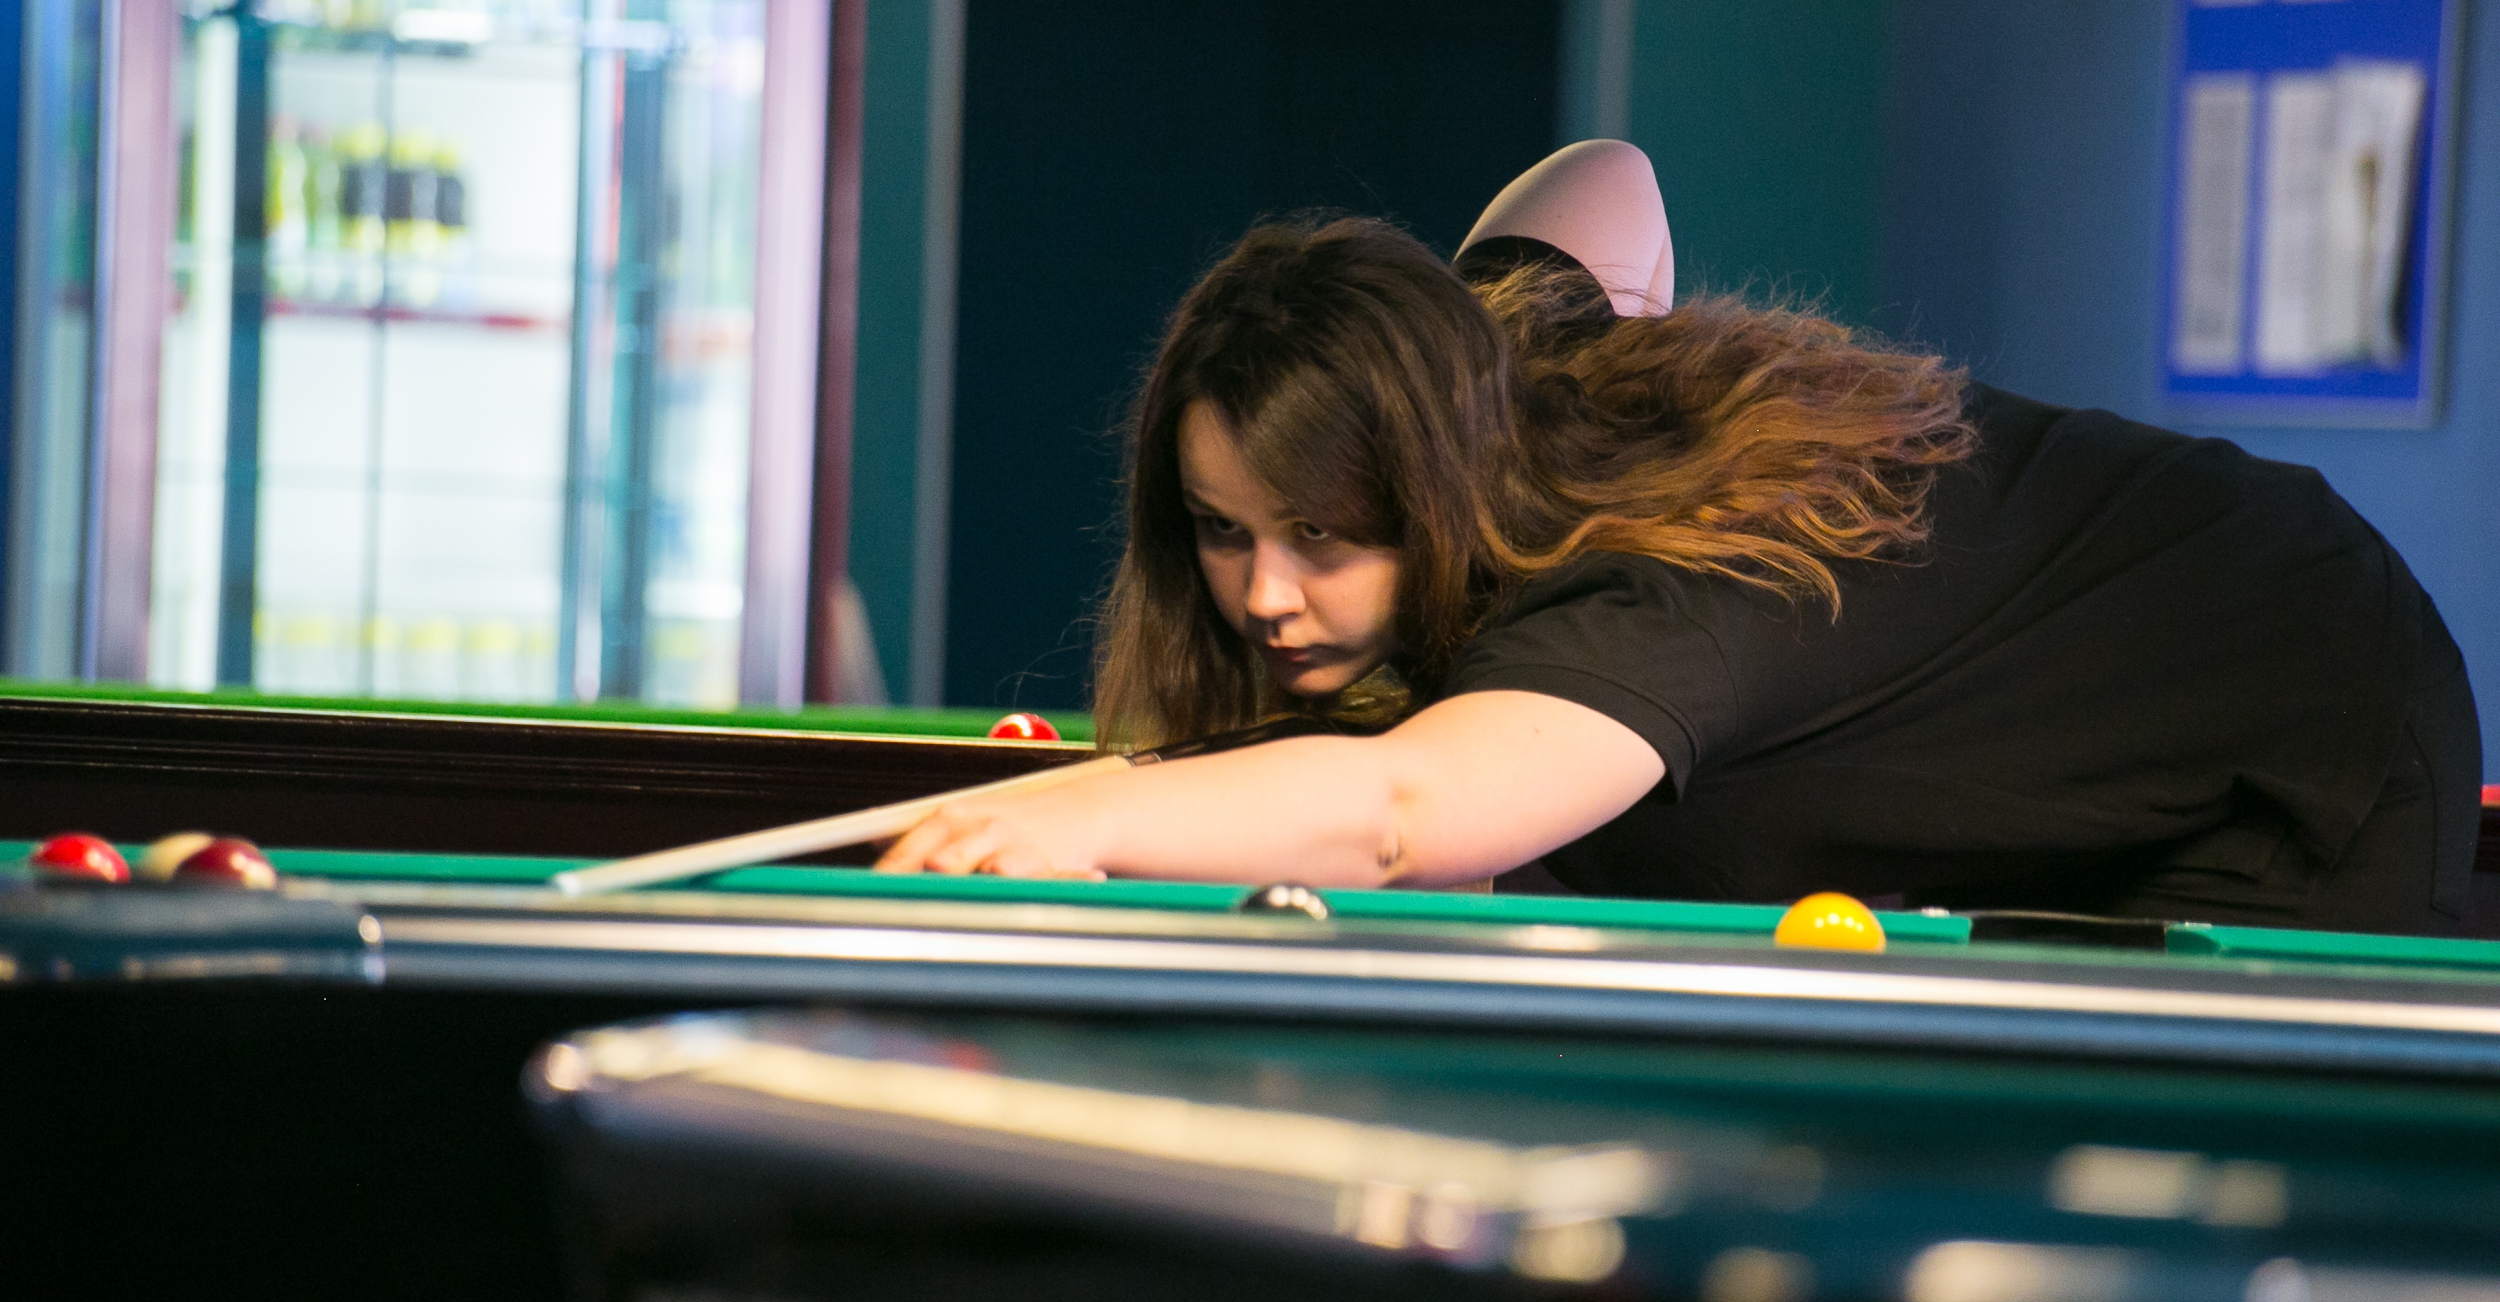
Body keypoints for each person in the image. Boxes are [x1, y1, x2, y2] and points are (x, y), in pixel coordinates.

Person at [879, 143, 2481, 937]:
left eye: (1324, 536)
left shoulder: (1670, 580)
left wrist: (1096, 811)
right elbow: (1604, 185)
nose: (1268, 597)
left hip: (2309, 713)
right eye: (1224, 534)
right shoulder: (1499, 369)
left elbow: (1407, 815)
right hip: (2066, 727)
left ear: (1433, 491)